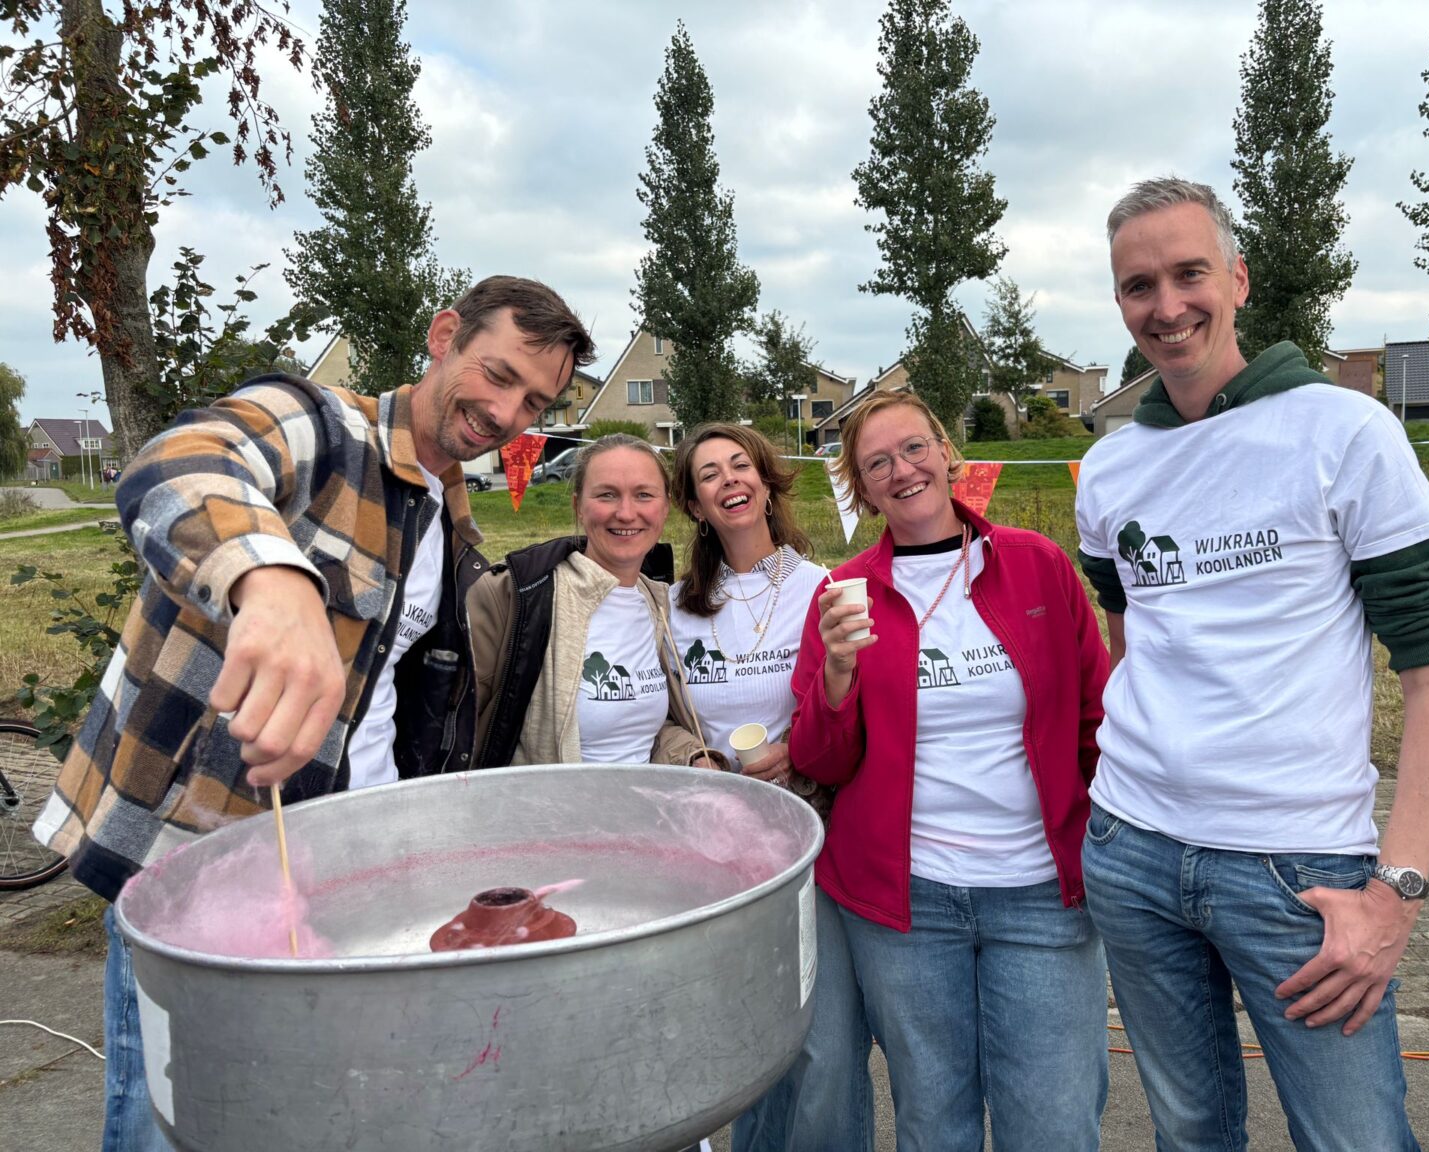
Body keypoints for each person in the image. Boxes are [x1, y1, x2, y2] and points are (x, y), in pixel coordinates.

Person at [32, 276, 595, 1151]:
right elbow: (180, 461)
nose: (506, 412)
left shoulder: (448, 513)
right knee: (171, 1124)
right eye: (498, 374)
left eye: (534, 402)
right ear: (444, 335)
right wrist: (272, 580)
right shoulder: (324, 427)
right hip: (200, 870)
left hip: (337, 874)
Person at [1075, 177, 1429, 1152]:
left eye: (1190, 273)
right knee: (1189, 1130)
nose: (1167, 306)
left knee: (1354, 1138)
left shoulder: (1346, 432)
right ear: (1120, 302)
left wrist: (1397, 891)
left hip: (1297, 869)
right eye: (1139, 286)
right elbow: (1134, 639)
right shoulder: (1110, 468)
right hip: (1132, 851)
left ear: (1239, 279)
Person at [790, 391, 1111, 1152]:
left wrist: (1105, 845)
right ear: (861, 489)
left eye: (913, 448)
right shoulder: (843, 593)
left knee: (1055, 1121)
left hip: (1041, 891)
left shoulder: (1035, 565)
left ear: (944, 451)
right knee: (935, 1121)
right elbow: (820, 760)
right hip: (908, 903)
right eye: (877, 464)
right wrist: (837, 671)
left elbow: (1098, 719)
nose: (902, 471)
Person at [666, 423, 874, 1152]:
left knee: (824, 1041)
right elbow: (662, 720)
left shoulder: (824, 588)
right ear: (694, 505)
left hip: (810, 834)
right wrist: (697, 757)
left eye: (740, 466)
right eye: (709, 474)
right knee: (750, 1039)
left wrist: (798, 752)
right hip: (720, 847)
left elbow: (853, 706)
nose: (729, 481)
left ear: (765, 480)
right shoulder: (676, 605)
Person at [469, 434, 719, 770]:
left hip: (643, 802)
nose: (626, 513)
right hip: (550, 803)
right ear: (578, 506)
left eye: (643, 495)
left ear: (665, 507)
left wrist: (693, 756)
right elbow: (457, 726)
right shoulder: (518, 596)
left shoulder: (656, 601)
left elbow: (639, 730)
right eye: (607, 495)